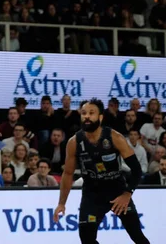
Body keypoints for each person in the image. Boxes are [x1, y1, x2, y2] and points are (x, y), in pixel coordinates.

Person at [53, 98, 149, 244]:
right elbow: (67, 174)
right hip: (92, 194)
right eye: (84, 113)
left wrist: (127, 194)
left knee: (137, 236)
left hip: (117, 190)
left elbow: (136, 169)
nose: (86, 116)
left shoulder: (115, 137)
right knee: (87, 239)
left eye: (91, 113)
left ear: (100, 117)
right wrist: (61, 203)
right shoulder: (74, 142)